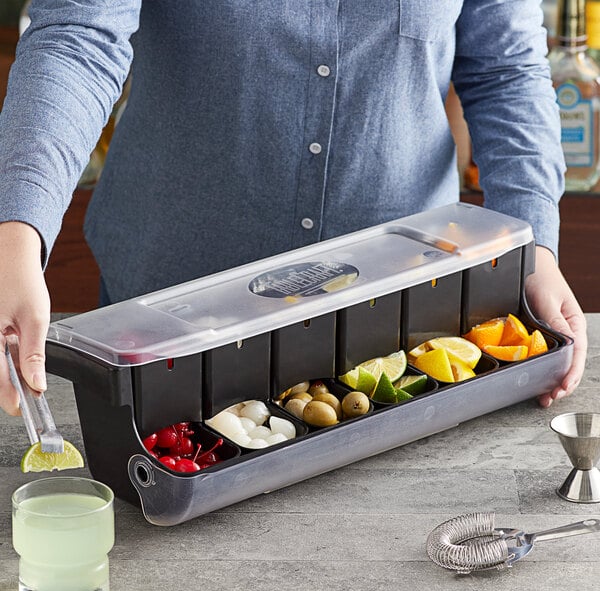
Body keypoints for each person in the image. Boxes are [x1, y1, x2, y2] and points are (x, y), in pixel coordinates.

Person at [0, 1, 587, 416]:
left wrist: (531, 245)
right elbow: (79, 37)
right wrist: (16, 235)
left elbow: (506, 70)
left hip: (403, 312)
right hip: (166, 315)